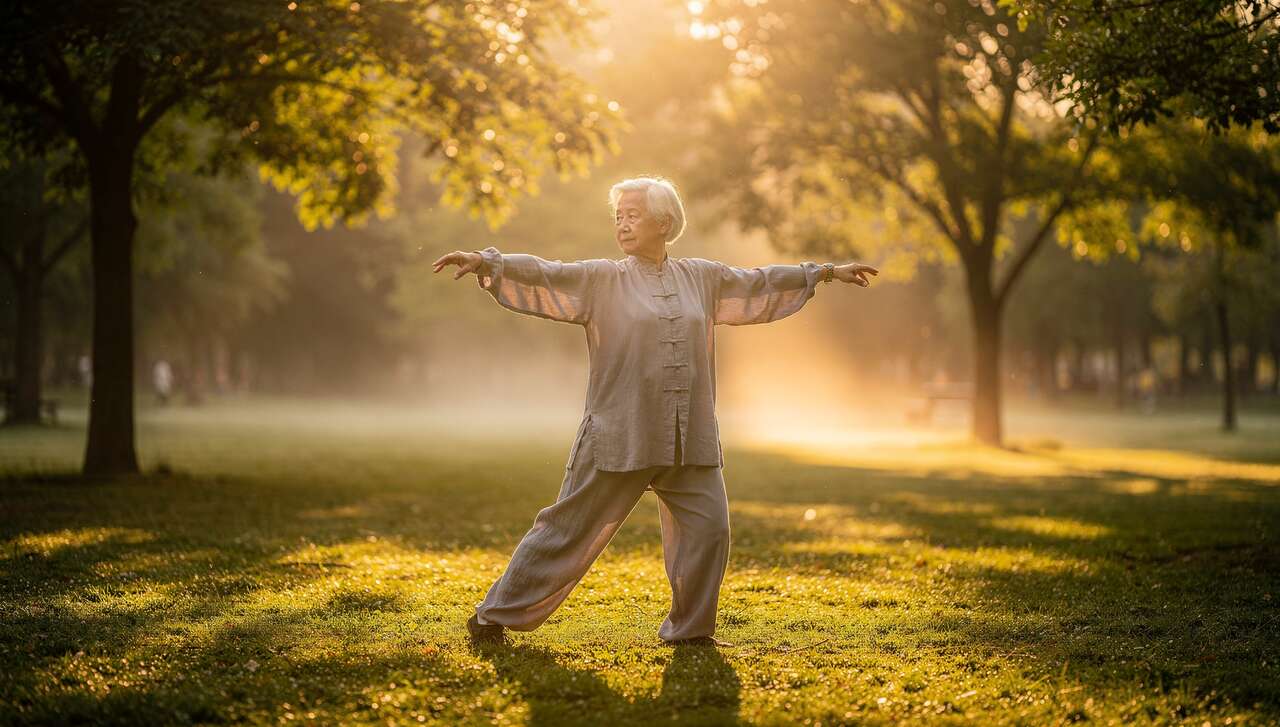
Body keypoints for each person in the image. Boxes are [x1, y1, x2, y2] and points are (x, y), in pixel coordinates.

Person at [433, 176, 878, 647]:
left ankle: (690, 632)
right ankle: (492, 616)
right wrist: (488, 261)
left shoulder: (702, 277)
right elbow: (548, 273)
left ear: (664, 222)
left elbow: (758, 282)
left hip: (690, 438)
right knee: (566, 530)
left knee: (710, 530)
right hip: (619, 433)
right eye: (618, 216)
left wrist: (824, 272)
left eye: (633, 215)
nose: (622, 225)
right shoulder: (603, 279)